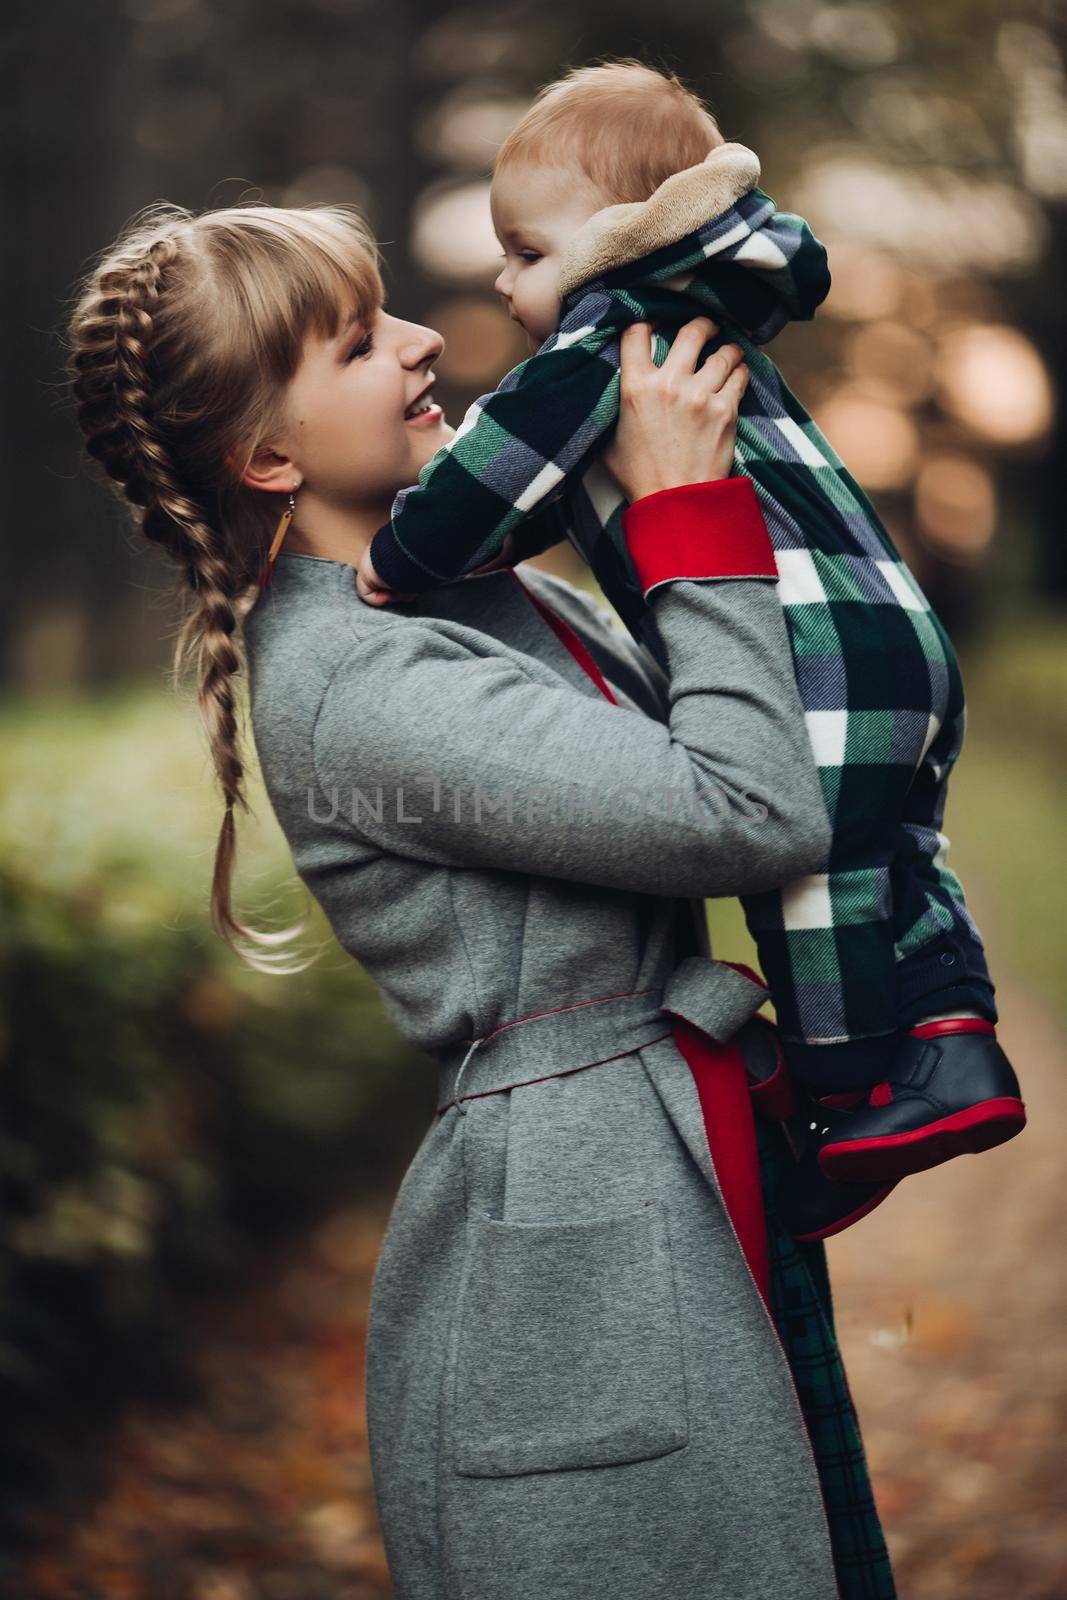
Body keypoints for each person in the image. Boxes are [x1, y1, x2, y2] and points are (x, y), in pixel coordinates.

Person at [65, 198, 897, 1597]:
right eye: (351, 343)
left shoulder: (464, 600)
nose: (413, 345)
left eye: (385, 311)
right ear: (266, 455)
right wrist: (684, 501)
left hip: (657, 1174)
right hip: (577, 1260)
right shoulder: (359, 686)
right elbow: (743, 807)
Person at [355, 61, 1026, 1201]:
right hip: (897, 647)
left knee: (805, 879)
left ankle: (854, 1091)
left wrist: (398, 556)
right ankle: (952, 1039)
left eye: (525, 253)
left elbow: (493, 481)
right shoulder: (709, 320)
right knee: (894, 851)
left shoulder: (602, 335)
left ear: (618, 235)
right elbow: (551, 510)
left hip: (809, 660)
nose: (507, 283)